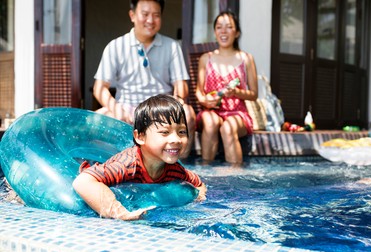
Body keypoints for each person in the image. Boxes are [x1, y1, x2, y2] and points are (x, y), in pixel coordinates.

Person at [73, 94, 207, 221]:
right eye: (165, 132)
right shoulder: (127, 165)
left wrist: (199, 197)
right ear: (140, 137)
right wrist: (119, 213)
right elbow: (83, 182)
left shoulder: (175, 169)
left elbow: (198, 184)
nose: (176, 139)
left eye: (182, 132)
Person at [93, 0, 195, 157]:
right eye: (145, 14)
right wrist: (115, 108)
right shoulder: (115, 46)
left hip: (161, 110)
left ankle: (181, 169)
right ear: (132, 15)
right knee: (96, 119)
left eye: (156, 15)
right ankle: (106, 165)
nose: (150, 20)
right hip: (126, 109)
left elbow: (181, 85)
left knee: (187, 113)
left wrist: (178, 102)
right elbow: (99, 89)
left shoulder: (172, 46)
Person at [195, 11, 258, 164]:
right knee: (210, 122)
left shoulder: (246, 59)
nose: (223, 31)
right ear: (215, 32)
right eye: (219, 27)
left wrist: (236, 92)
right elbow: (199, 91)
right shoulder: (206, 58)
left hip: (238, 114)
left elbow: (254, 94)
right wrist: (205, 101)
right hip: (211, 111)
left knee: (228, 128)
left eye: (229, 27)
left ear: (236, 32)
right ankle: (205, 171)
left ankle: (235, 178)